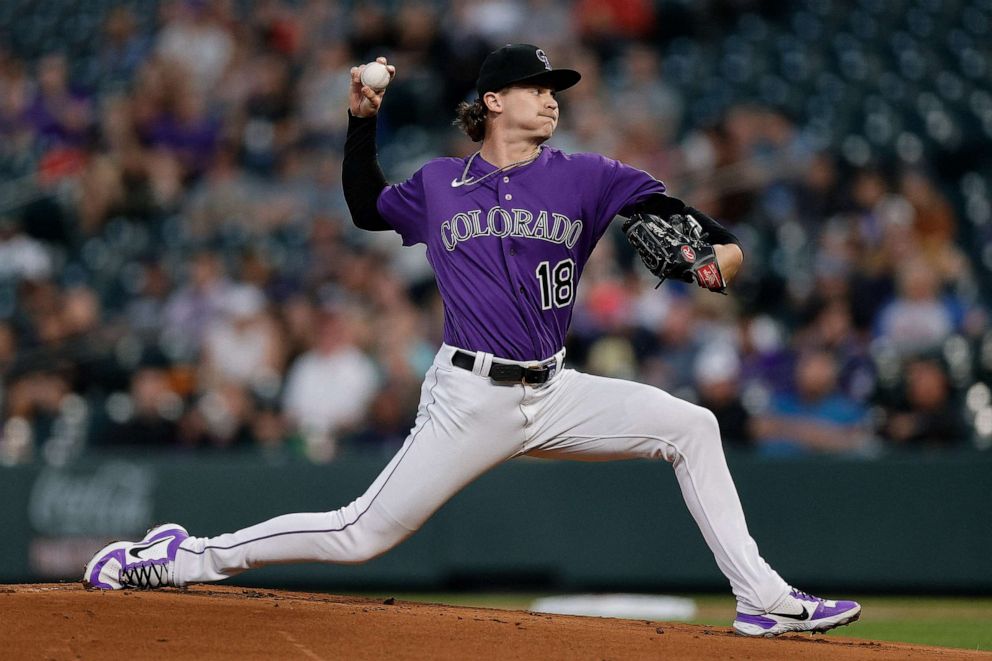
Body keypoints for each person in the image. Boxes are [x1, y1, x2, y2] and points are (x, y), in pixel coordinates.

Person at [82, 45, 861, 638]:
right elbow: (363, 208)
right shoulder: (436, 185)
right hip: (468, 396)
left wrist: (708, 267)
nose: (552, 101)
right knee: (359, 535)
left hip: (555, 391)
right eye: (537, 89)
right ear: (493, 100)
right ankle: (186, 555)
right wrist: (360, 119)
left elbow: (720, 245)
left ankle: (761, 599)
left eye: (556, 92)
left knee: (692, 425)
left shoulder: (589, 176)